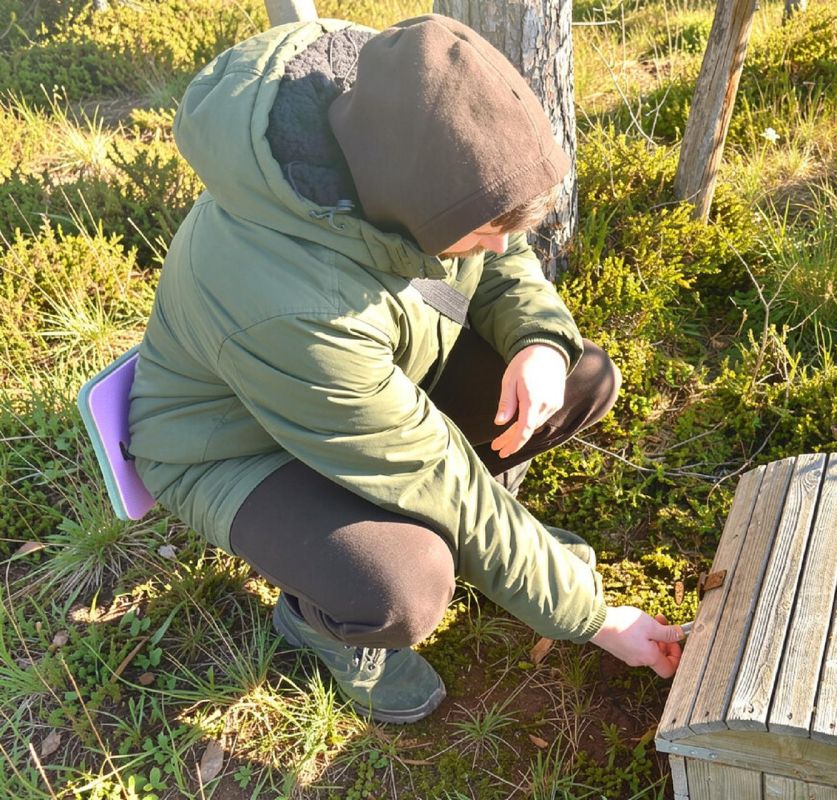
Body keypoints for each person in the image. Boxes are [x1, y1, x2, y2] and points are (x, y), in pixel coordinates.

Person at [127, 14, 683, 724]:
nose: (498, 244)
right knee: (404, 585)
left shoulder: (401, 132)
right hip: (234, 449)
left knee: (577, 379)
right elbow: (434, 474)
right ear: (411, 204)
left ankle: (505, 554)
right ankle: (317, 620)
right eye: (483, 229)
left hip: (358, 383)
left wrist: (538, 341)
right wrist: (594, 619)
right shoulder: (295, 306)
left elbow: (496, 245)